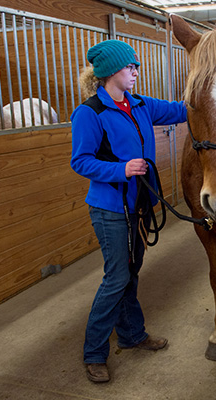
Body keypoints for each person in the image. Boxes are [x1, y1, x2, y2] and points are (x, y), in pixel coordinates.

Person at [70, 40, 187, 383]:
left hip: (138, 206)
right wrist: (121, 170)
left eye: (135, 66)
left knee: (131, 274)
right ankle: (94, 352)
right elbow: (80, 161)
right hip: (110, 209)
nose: (136, 71)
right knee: (117, 277)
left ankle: (132, 334)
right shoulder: (90, 113)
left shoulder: (141, 104)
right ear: (109, 73)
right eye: (129, 67)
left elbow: (182, 110)